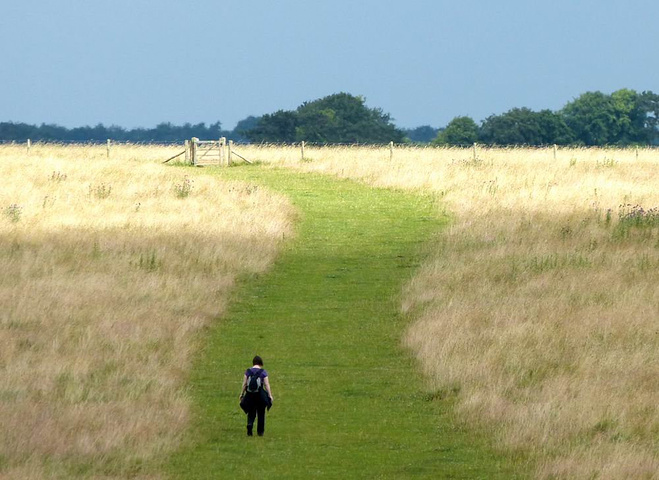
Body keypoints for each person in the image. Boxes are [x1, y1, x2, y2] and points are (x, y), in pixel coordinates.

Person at [239, 355, 274, 437]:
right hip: (260, 395)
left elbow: (244, 384)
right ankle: (260, 432)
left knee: (251, 411)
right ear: (261, 363)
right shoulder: (263, 372)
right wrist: (270, 395)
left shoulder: (248, 372)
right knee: (261, 413)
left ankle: (250, 424)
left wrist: (242, 394)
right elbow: (266, 384)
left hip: (250, 395)